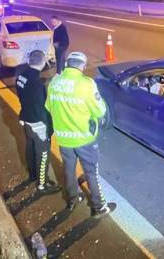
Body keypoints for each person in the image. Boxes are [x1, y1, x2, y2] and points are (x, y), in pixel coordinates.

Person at [45, 51, 116, 218]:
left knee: (69, 170)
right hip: (84, 139)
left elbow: (49, 107)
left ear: (68, 63)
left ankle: (72, 199)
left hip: (63, 138)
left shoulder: (55, 82)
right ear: (82, 66)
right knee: (92, 172)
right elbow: (100, 111)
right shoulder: (86, 84)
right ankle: (99, 207)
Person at [15, 50, 61, 195]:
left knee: (30, 148)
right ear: (42, 63)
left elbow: (26, 96)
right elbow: (41, 107)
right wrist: (48, 128)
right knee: (43, 154)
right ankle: (42, 184)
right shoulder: (36, 83)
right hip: (37, 122)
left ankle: (33, 175)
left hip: (25, 119)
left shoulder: (21, 76)